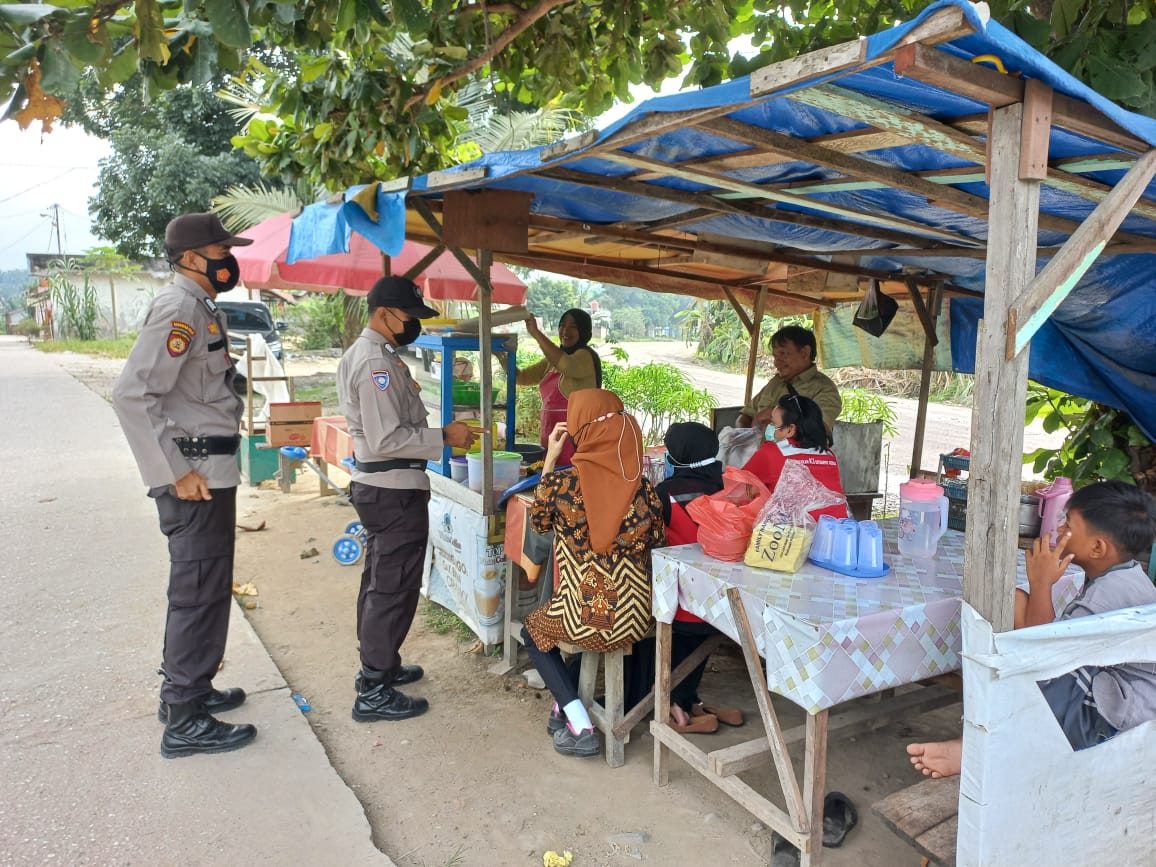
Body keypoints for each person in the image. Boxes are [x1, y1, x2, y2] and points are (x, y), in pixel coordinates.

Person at [112, 212, 258, 758]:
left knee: (209, 586)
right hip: (194, 477)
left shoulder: (200, 307)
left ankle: (193, 688)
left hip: (211, 472)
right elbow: (132, 394)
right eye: (221, 251)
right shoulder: (178, 309)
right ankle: (183, 716)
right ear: (193, 258)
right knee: (198, 591)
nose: (229, 259)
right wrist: (175, 471)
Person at [908, 481, 1156, 778]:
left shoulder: (1102, 599)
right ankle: (992, 739)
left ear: (1097, 547)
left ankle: (981, 748)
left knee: (1017, 666)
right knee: (1015, 600)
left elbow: (1041, 657)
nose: (1059, 530)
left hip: (1111, 723)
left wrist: (1042, 582)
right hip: (1122, 701)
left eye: (1069, 525)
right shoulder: (1128, 576)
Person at [337, 276, 478, 723]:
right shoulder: (373, 363)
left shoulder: (379, 357)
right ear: (384, 314)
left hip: (390, 488)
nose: (413, 325)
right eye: (410, 317)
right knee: (392, 586)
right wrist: (445, 436)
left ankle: (380, 665)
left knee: (382, 580)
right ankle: (374, 688)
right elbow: (384, 439)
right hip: (390, 489)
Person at [521, 389, 665, 758]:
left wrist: (552, 457)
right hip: (635, 618)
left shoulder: (560, 485)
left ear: (579, 431)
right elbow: (659, 539)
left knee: (535, 629)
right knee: (578, 615)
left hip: (583, 617)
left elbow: (538, 523)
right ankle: (563, 704)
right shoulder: (645, 490)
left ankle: (577, 720)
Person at [654, 422, 745, 734]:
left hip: (682, 602)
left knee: (677, 646)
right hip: (725, 601)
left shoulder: (665, 493)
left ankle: (676, 707)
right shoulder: (726, 487)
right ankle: (692, 701)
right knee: (700, 644)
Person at [503, 308, 602, 465]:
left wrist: (536, 333)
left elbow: (566, 365)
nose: (565, 330)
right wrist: (501, 354)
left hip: (575, 439)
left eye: (573, 326)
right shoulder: (551, 361)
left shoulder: (585, 356)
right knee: (551, 482)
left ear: (584, 331)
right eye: (562, 325)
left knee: (570, 482)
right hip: (550, 435)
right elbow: (521, 377)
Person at [743, 394, 849, 521]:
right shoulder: (829, 455)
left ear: (790, 429)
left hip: (793, 535)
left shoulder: (772, 453)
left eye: (772, 423)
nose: (769, 428)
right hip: (837, 531)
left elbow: (739, 482)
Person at [738, 325, 842, 433]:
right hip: (757, 448)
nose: (776, 362)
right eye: (775, 356)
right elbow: (745, 416)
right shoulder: (775, 383)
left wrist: (775, 414)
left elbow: (818, 430)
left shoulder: (824, 389)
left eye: (783, 354)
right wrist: (742, 437)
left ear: (805, 352)